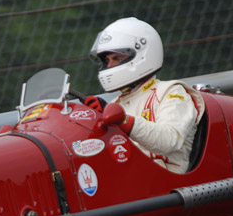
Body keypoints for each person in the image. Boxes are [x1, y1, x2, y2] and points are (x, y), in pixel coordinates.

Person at [86, 17, 205, 173]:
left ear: (142, 55)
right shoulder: (117, 104)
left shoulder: (172, 91)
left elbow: (169, 141)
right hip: (129, 179)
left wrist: (124, 121)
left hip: (166, 182)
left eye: (116, 58)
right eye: (107, 60)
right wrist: (95, 119)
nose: (109, 65)